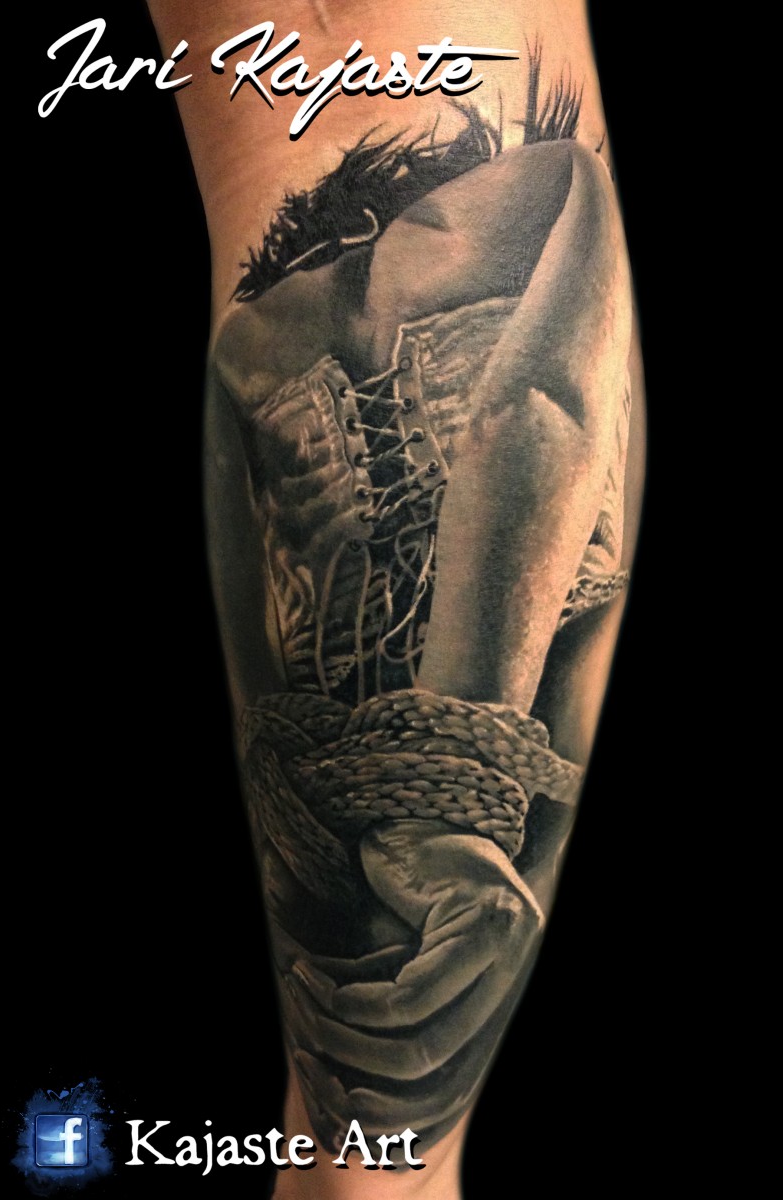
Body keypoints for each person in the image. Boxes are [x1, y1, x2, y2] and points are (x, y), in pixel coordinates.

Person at [146, 2, 644, 1193]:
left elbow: (534, 384)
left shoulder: (441, 232)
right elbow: (532, 395)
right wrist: (441, 795)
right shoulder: (479, 214)